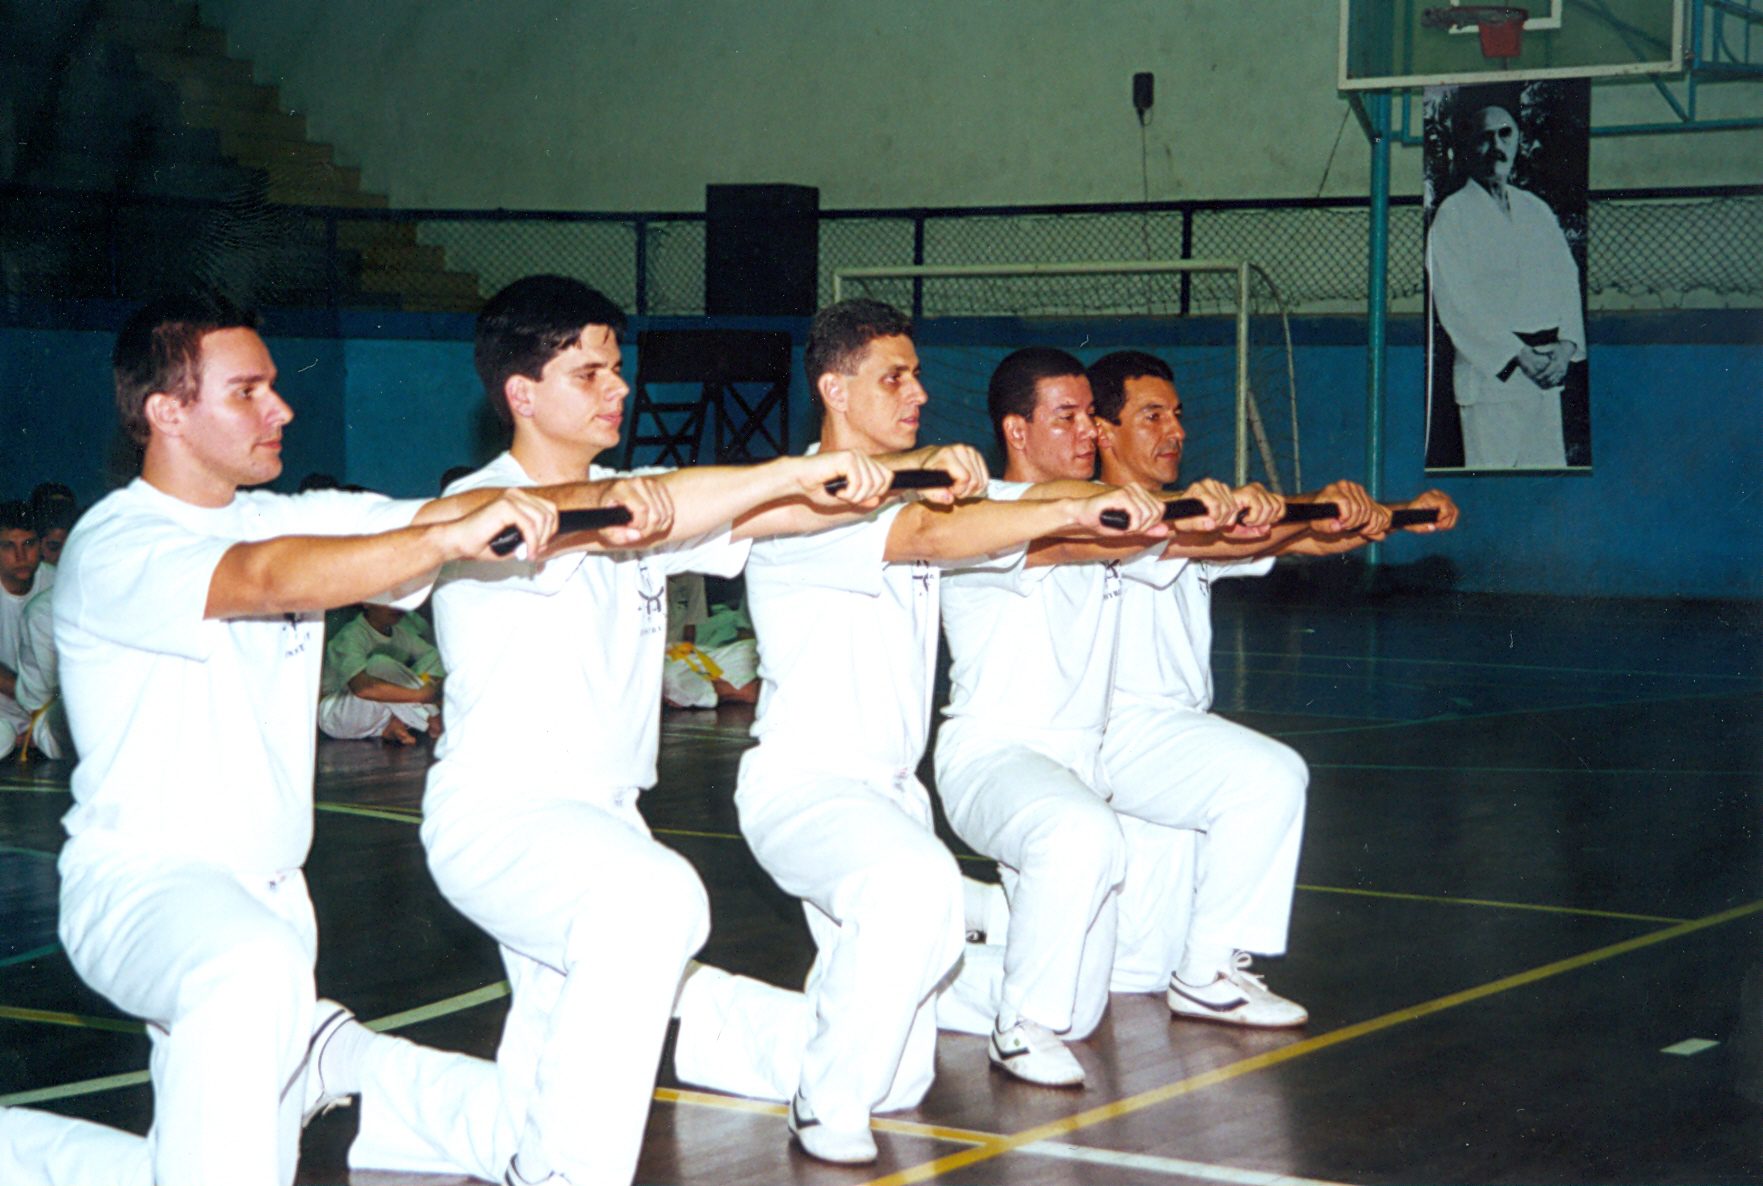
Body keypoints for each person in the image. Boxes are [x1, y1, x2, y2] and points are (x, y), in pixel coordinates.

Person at [0, 291, 660, 1186]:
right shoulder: (117, 545)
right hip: (147, 888)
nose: (283, 408)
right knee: (249, 973)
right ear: (166, 413)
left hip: (273, 901)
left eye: (275, 386)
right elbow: (269, 577)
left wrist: (764, 483)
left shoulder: (272, 513)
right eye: (248, 392)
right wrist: (447, 531)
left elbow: (425, 520)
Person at [421, 276, 914, 1186]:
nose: (618, 388)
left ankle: (474, 1138)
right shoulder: (474, 505)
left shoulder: (637, 497)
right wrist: (792, 473)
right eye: (590, 372)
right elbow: (600, 517)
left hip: (604, 815)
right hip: (504, 813)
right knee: (652, 904)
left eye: (619, 368)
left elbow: (768, 513)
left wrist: (880, 486)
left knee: (557, 1022)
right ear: (521, 394)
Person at [671, 305, 1175, 1161]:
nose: (918, 392)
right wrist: (1060, 509)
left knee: (900, 1078)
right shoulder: (805, 503)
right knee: (915, 891)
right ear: (833, 389)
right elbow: (933, 533)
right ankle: (823, 1105)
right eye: (892, 377)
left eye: (916, 373)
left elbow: (1025, 499)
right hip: (807, 785)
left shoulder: (913, 488)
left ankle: (697, 1013)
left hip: (893, 794)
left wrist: (1108, 500)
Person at [931, 346, 1297, 1088]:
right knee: (1080, 834)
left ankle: (917, 957)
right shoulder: (985, 521)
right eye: (1064, 418)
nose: (1085, 434)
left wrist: (1260, 511)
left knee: (1089, 1004)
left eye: (1087, 419)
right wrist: (1201, 510)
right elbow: (1078, 535)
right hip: (992, 760)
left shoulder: (1103, 522)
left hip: (1079, 763)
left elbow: (1188, 541)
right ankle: (1016, 1026)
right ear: (1016, 431)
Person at [1084, 350, 1458, 1023]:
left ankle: (959, 915)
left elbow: (1288, 544)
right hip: (1118, 735)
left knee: (1129, 972)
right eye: (1150, 416)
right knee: (1267, 777)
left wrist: (1393, 515)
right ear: (1102, 431)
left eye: (1176, 415)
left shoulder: (1181, 513)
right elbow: (1232, 540)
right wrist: (1313, 514)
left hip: (1169, 747)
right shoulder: (1099, 517)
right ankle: (1206, 974)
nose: (1174, 430)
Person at [1428, 103, 1584, 469]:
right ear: (1467, 148)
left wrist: (1565, 348)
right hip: (1491, 381)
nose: (1496, 145)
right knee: (1492, 486)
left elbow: (1566, 282)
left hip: (1546, 377)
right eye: (1484, 137)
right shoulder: (1453, 215)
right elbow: (1457, 303)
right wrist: (1520, 355)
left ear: (1518, 142)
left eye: (1505, 134)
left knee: (1546, 487)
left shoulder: (1537, 211)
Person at [317, 603, 445, 744]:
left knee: (434, 657)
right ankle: (432, 718)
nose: (396, 606)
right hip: (336, 717)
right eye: (388, 600)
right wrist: (421, 695)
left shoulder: (401, 634)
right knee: (379, 665)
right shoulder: (350, 636)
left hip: (376, 717)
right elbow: (362, 689)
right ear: (367, 603)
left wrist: (424, 680)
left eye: (400, 600)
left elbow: (432, 659)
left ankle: (393, 724)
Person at [661, 573, 759, 708]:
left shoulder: (692, 578)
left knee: (750, 651)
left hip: (688, 655)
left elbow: (690, 632)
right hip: (666, 662)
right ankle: (736, 691)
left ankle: (735, 691)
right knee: (670, 677)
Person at [0, 500, 50, 759]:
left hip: (47, 712)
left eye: (28, 544)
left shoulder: (59, 583)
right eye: (9, 546)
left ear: (41, 546)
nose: (21, 556)